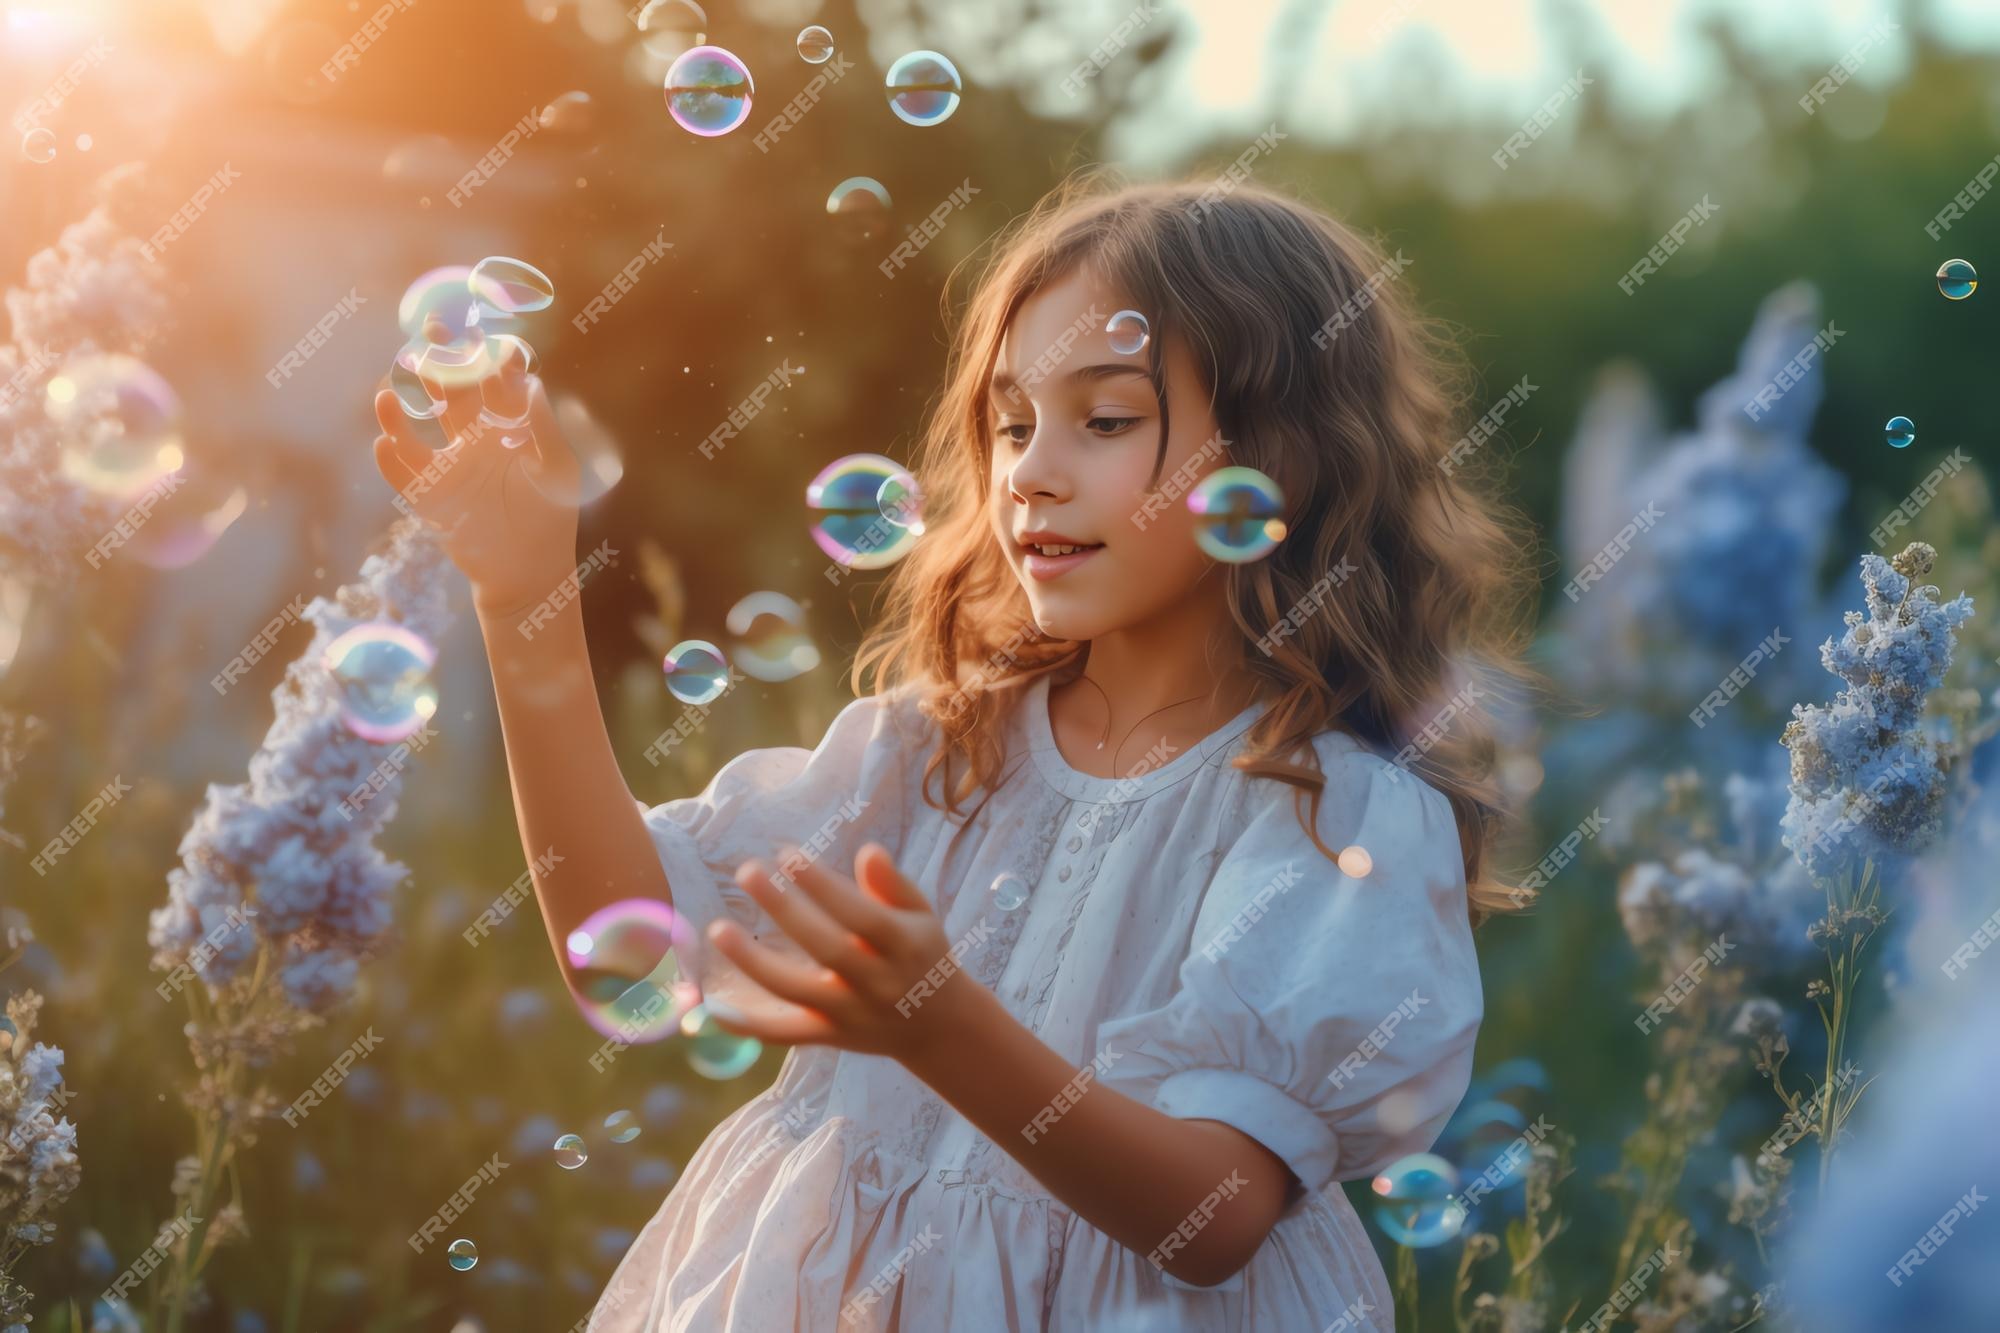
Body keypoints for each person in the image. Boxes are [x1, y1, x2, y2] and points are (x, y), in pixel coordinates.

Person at [370, 175, 1538, 1332]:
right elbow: (622, 954)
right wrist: (523, 599)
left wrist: (939, 1025)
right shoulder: (930, 752)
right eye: (1012, 420)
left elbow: (1210, 1212)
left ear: (1278, 458)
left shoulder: (1327, 816)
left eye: (1108, 419)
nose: (1029, 467)